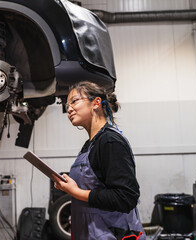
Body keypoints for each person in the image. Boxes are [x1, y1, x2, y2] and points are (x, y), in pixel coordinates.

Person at [54, 81, 145, 240]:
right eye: (67, 104)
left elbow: (125, 197)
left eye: (74, 101)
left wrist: (76, 192)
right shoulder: (90, 144)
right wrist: (68, 185)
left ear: (95, 103)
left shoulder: (110, 141)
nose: (69, 108)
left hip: (113, 234)